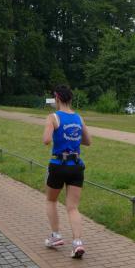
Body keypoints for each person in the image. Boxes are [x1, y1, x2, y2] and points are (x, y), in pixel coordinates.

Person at [43, 85, 91, 258]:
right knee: (72, 207)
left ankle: (56, 236)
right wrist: (73, 139)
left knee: (51, 200)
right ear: (70, 99)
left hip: (58, 164)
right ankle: (78, 243)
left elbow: (46, 140)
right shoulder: (78, 118)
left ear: (57, 98)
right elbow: (88, 141)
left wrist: (55, 133)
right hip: (76, 166)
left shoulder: (53, 117)